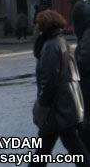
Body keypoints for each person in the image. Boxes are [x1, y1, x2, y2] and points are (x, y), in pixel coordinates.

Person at [34, 9, 87, 157]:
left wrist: (43, 104)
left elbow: (49, 79)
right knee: (72, 147)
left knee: (45, 151)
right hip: (65, 106)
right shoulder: (61, 41)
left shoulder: (51, 45)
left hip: (58, 108)